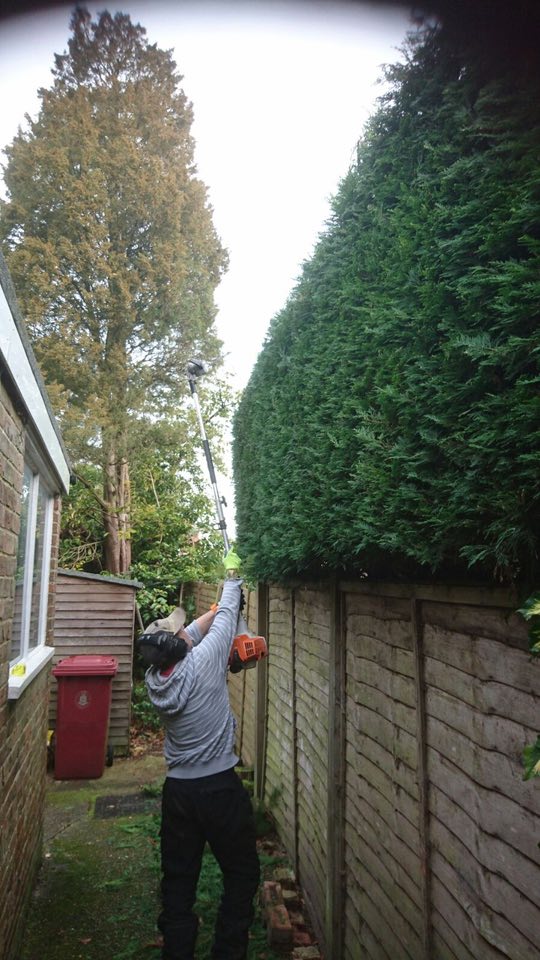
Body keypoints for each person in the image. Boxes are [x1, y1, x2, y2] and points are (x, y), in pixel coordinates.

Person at [138, 559, 260, 960]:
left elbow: (198, 629)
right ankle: (228, 952)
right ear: (180, 645)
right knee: (242, 875)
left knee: (178, 884)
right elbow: (228, 614)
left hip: (179, 795)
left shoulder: (157, 677)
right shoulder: (204, 662)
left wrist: (207, 616)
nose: (185, 631)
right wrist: (232, 575)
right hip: (219, 789)